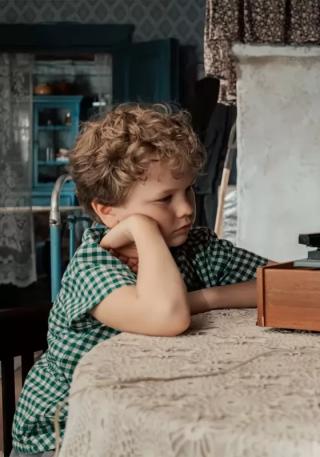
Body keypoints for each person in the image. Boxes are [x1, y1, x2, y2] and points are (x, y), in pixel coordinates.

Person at [11, 105, 269, 457]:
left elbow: (283, 284)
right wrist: (142, 228)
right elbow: (167, 316)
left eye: (188, 190)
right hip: (67, 433)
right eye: (165, 198)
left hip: (156, 410)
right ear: (106, 211)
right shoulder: (94, 265)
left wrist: (201, 299)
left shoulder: (196, 247)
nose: (186, 209)